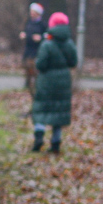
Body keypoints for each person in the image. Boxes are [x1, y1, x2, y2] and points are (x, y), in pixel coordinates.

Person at [32, 12, 76, 154]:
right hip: (63, 81)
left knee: (41, 108)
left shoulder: (47, 43)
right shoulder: (69, 43)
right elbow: (73, 62)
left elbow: (40, 65)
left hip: (47, 81)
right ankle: (56, 143)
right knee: (59, 111)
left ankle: (39, 136)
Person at [20, 2, 46, 94]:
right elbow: (25, 31)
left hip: (37, 50)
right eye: (31, 11)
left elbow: (47, 35)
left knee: (35, 68)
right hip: (28, 49)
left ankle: (36, 85)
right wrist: (23, 34)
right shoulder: (28, 21)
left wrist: (41, 38)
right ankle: (27, 84)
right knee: (27, 67)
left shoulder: (42, 24)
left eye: (34, 12)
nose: (32, 13)